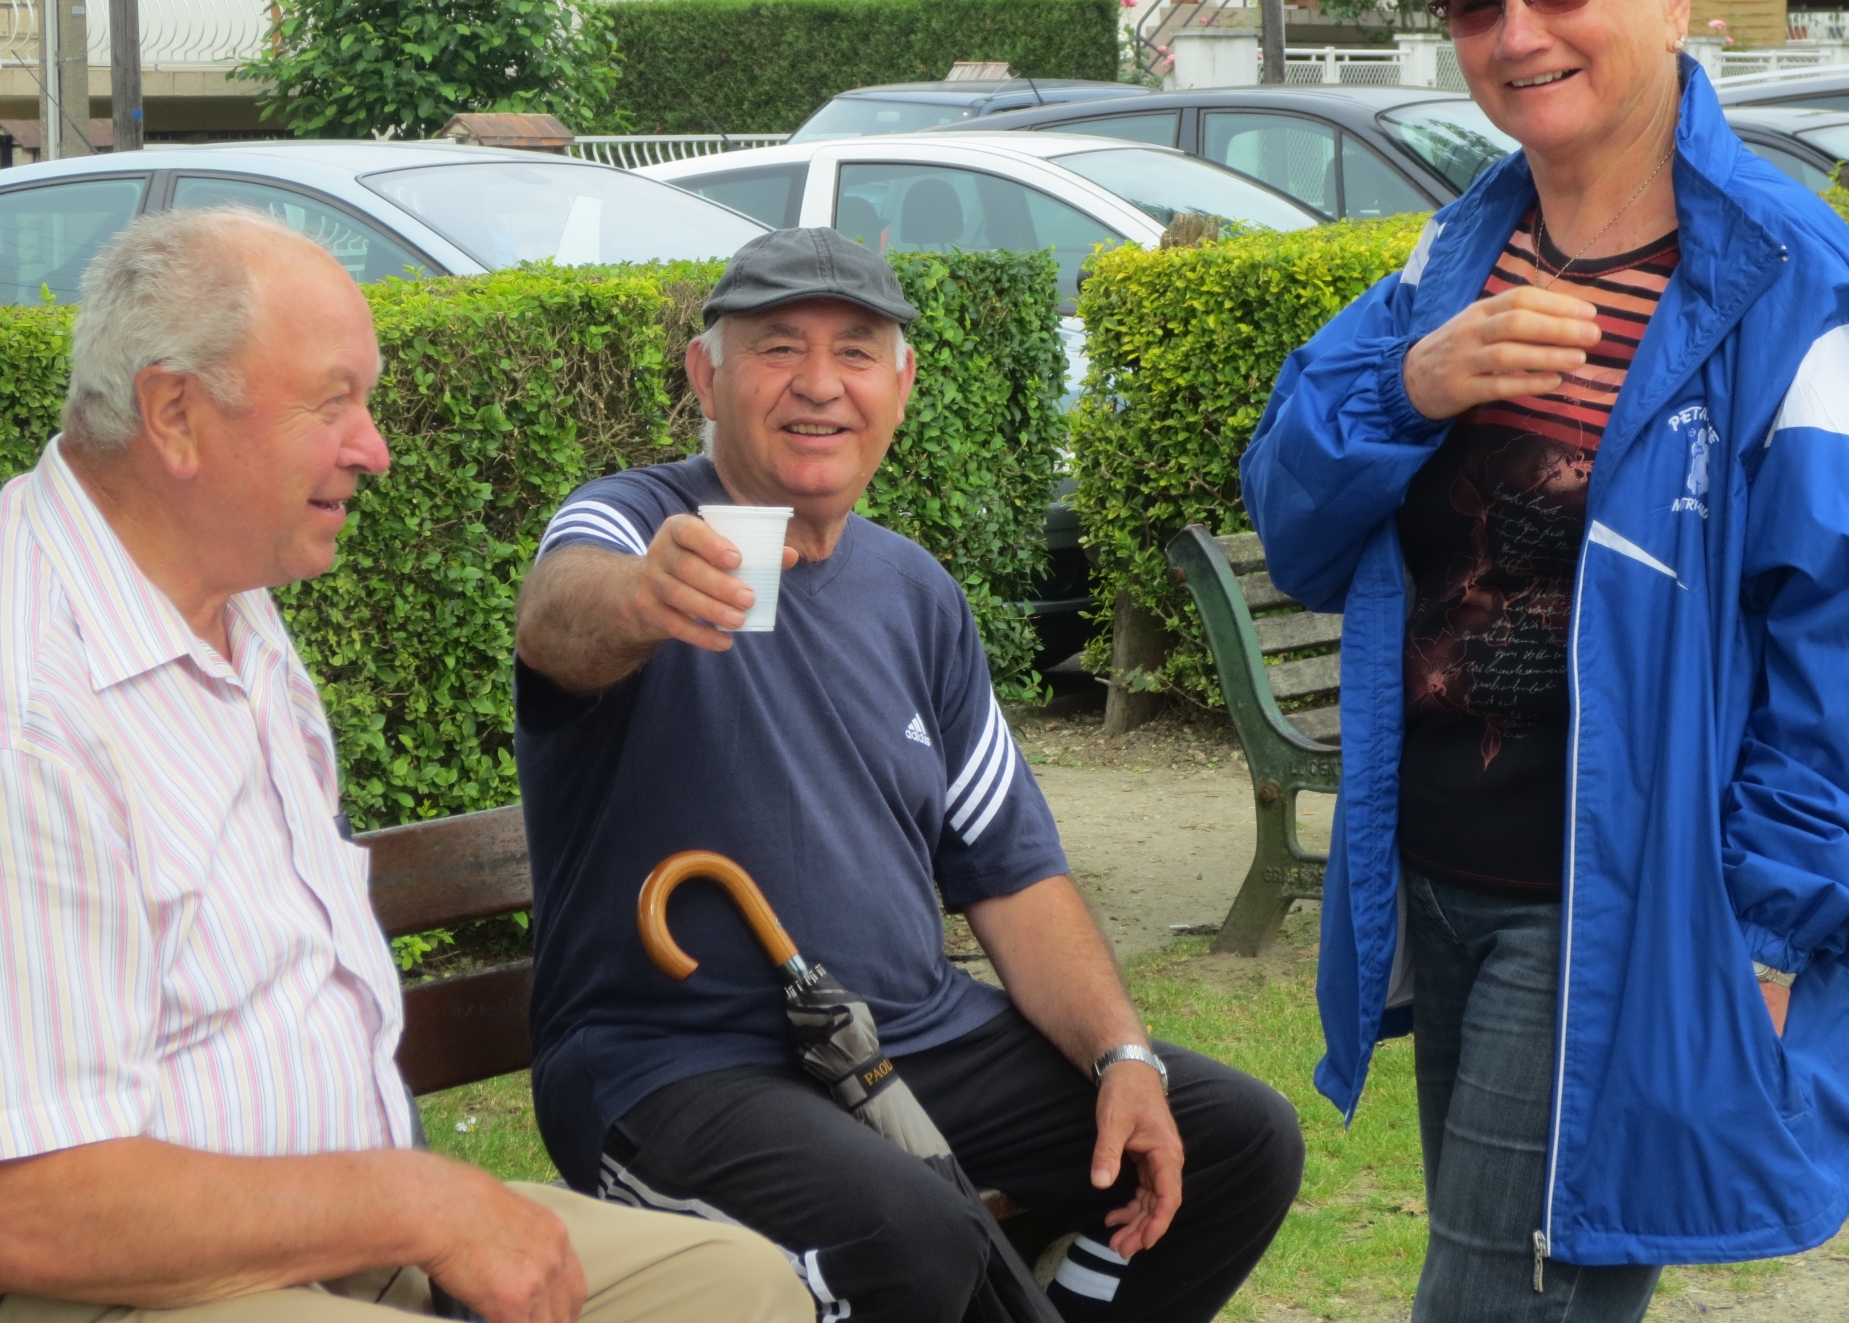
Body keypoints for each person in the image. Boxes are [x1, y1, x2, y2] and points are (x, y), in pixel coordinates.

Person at [0, 208, 811, 1323]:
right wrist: (419, 1206)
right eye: (333, 402)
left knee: (742, 1290)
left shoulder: (225, 596)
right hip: (59, 1274)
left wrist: (401, 1206)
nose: (375, 448)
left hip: (328, 1230)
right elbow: (32, 1216)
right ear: (175, 413)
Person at [1240, 0, 1849, 1323]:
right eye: (1475, 3)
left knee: (1494, 1295)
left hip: (1617, 908)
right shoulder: (1453, 260)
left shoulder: (1789, 283)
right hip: (1441, 876)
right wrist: (1409, 385)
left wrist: (1776, 931)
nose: (1516, 34)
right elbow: (1295, 519)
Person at [512, 226, 1304, 1323]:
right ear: (705, 374)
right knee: (907, 1239)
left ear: (902, 383)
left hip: (909, 1040)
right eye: (778, 347)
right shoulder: (637, 523)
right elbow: (558, 620)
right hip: (675, 1066)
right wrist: (644, 597)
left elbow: (1012, 873)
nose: (819, 384)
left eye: (856, 351)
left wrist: (1122, 1056)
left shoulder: (914, 593)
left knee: (1235, 1141)